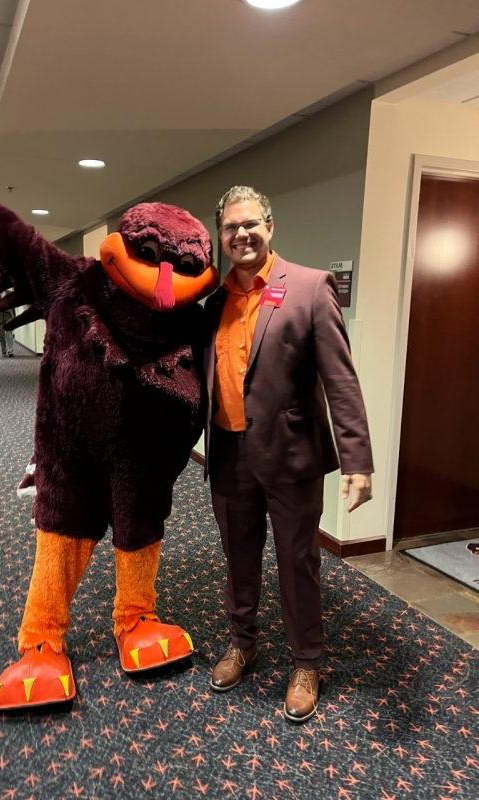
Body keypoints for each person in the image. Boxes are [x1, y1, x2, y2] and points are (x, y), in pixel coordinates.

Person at [203, 186, 373, 723]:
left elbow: (340, 379)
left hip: (292, 455)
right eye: (231, 228)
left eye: (251, 224)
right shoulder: (212, 302)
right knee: (239, 558)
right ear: (221, 236)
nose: (242, 235)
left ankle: (307, 662)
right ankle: (243, 642)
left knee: (298, 562)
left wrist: (358, 460)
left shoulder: (308, 287)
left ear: (270, 227)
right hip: (229, 454)